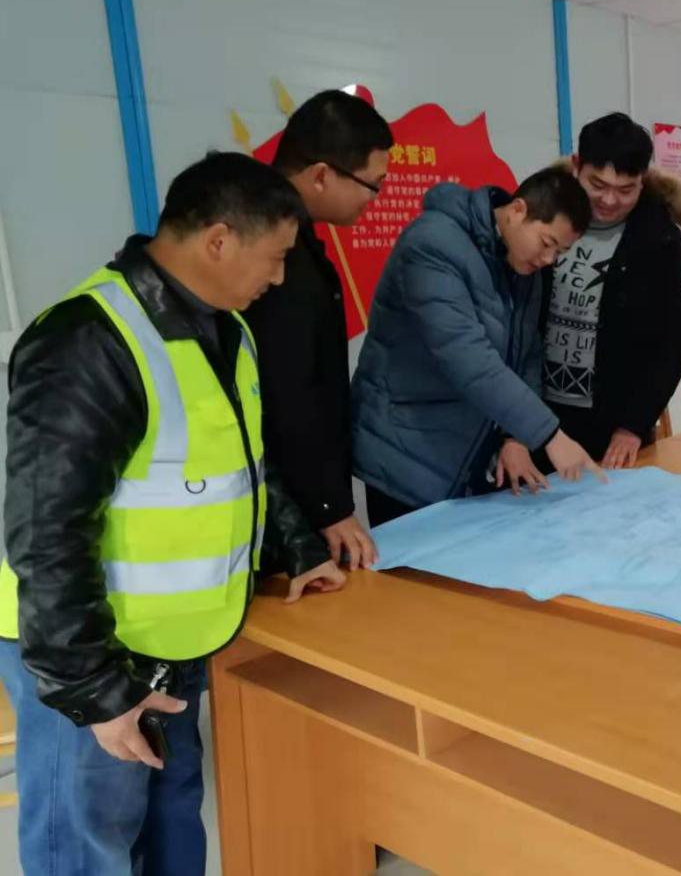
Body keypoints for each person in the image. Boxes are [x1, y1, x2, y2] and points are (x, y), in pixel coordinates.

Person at [0, 152, 347, 875]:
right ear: (219, 240)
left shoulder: (225, 330)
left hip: (174, 642)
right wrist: (93, 690)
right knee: (87, 845)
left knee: (170, 827)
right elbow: (46, 528)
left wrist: (299, 547)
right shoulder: (89, 339)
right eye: (276, 257)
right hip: (87, 650)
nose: (280, 277)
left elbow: (242, 465)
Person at [351, 166, 603, 525]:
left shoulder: (520, 262)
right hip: (406, 454)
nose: (548, 260)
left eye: (559, 252)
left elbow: (526, 354)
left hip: (466, 455)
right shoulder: (432, 244)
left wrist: (515, 437)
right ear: (517, 210)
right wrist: (549, 435)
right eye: (547, 243)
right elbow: (467, 357)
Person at [244, 89, 394, 571]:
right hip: (281, 500)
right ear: (322, 175)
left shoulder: (296, 240)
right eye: (371, 185)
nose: (374, 199)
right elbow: (288, 389)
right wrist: (328, 506)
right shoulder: (278, 257)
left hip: (296, 490)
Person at [539, 112, 681, 471]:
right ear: (576, 166)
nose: (609, 200)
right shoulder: (545, 216)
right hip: (543, 421)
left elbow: (676, 341)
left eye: (626, 190)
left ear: (643, 180)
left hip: (617, 429)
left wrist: (634, 425)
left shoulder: (660, 237)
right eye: (597, 184)